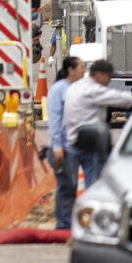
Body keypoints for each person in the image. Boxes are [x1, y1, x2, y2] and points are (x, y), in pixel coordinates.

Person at [63, 60, 132, 188]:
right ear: (100, 75)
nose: (109, 81)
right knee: (94, 186)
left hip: (70, 143)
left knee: (68, 189)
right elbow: (126, 100)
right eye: (109, 77)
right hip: (89, 145)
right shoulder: (93, 90)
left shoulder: (75, 86)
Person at [46, 57, 85, 229]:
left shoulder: (77, 88)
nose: (84, 71)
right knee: (66, 186)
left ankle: (67, 223)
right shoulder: (59, 89)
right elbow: (54, 119)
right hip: (63, 148)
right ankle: (63, 225)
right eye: (82, 67)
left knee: (73, 186)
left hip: (75, 147)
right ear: (71, 69)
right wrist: (57, 145)